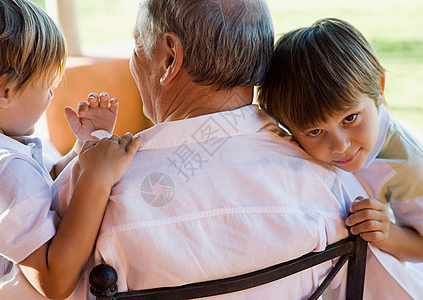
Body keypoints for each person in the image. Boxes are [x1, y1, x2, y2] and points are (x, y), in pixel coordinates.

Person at [54, 1, 422, 299]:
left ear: (169, 58)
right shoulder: (338, 188)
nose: (338, 144)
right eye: (316, 129)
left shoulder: (91, 192)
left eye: (136, 45)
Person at [0, 0, 141, 299]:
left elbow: (39, 187)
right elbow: (54, 279)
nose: (52, 93)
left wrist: (82, 148)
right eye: (48, 84)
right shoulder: (0, 171)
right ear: (6, 91)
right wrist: (96, 178)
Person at [257, 18, 423, 264]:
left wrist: (387, 234)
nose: (340, 146)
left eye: (350, 118)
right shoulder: (283, 145)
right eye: (315, 131)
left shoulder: (406, 163)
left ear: (379, 87)